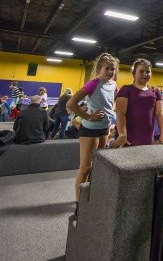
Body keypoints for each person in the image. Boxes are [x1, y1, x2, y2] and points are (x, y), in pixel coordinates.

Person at [67, 53, 119, 216]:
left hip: (104, 129)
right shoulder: (93, 83)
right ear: (99, 69)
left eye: (113, 69)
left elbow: (110, 105)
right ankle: (79, 206)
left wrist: (111, 123)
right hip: (89, 129)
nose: (110, 71)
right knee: (85, 168)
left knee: (98, 167)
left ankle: (90, 197)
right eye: (107, 68)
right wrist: (88, 116)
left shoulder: (114, 84)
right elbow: (71, 104)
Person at [114, 59, 163, 147]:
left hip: (148, 139)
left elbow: (160, 113)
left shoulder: (155, 92)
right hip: (127, 140)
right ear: (133, 73)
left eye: (148, 71)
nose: (145, 74)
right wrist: (122, 134)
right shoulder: (126, 89)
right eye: (141, 71)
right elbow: (120, 113)